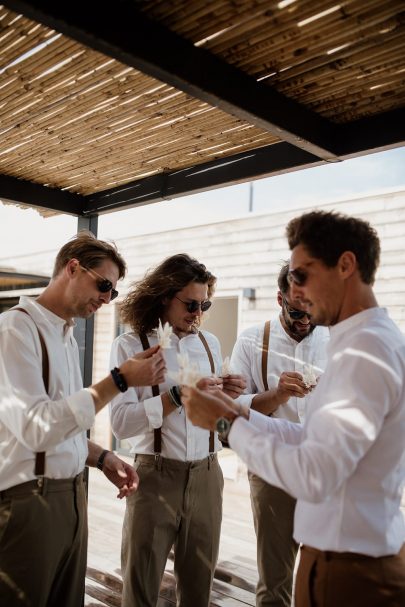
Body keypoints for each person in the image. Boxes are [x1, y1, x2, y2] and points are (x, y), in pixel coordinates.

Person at [182, 211, 405, 607]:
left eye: (302, 275)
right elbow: (311, 439)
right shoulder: (359, 343)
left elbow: (315, 474)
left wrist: (224, 425)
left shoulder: (365, 352)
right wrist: (237, 413)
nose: (296, 291)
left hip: (351, 572)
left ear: (346, 266)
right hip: (344, 558)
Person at [0, 231, 166, 607]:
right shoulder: (15, 329)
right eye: (104, 284)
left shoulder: (67, 337)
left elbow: (62, 422)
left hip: (73, 496)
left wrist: (102, 458)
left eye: (114, 292)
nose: (107, 299)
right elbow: (36, 428)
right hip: (30, 503)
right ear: (72, 268)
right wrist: (120, 380)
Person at [109, 252, 246, 607]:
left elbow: (217, 419)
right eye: (190, 304)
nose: (198, 314)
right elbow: (121, 423)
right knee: (141, 586)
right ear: (165, 296)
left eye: (205, 304)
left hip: (208, 474)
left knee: (199, 589)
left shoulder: (209, 344)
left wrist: (227, 400)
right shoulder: (130, 346)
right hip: (154, 477)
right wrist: (175, 396)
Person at [231, 263, 329, 607]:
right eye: (296, 312)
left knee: (325, 575)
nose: (305, 321)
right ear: (279, 298)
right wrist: (277, 395)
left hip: (325, 470)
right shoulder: (251, 341)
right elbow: (233, 410)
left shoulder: (334, 339)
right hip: (272, 471)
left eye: (312, 312)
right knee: (275, 580)